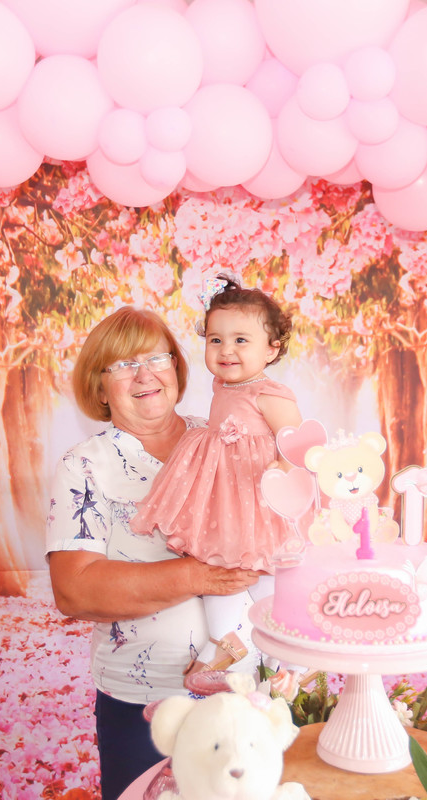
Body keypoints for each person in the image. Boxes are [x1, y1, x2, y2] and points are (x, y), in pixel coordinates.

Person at [46, 306, 263, 800]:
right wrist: (197, 576)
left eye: (156, 358)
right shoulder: (85, 467)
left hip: (245, 695)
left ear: (176, 368)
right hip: (142, 706)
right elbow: (74, 590)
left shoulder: (223, 438)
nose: (144, 375)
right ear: (100, 387)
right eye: (123, 365)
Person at [130, 276, 304, 677]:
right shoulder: (223, 385)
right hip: (224, 497)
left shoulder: (269, 393)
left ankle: (287, 653)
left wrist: (285, 465)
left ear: (272, 348)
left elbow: (296, 440)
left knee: (266, 573)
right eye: (215, 340)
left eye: (241, 340)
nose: (226, 350)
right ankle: (227, 640)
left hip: (258, 497)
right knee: (216, 567)